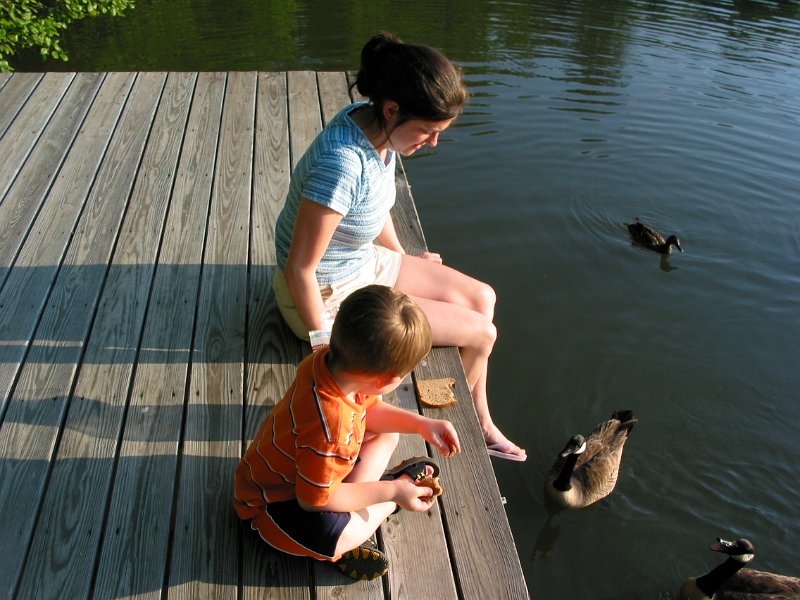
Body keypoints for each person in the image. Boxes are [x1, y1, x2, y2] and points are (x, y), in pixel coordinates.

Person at [272, 32, 526, 461]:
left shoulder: (374, 127)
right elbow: (300, 269)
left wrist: (404, 259)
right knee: (484, 334)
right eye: (428, 131)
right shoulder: (342, 165)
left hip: (362, 263)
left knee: (483, 298)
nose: (433, 143)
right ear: (392, 109)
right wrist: (324, 352)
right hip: (324, 293)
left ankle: (464, 405)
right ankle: (473, 420)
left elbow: (375, 205)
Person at [234, 285, 460, 580]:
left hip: (313, 472)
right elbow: (313, 502)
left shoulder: (327, 362)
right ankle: (389, 498)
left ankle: (370, 502)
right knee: (340, 534)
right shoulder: (330, 429)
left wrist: (421, 424)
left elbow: (372, 413)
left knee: (387, 434)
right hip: (270, 510)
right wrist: (392, 492)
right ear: (385, 381)